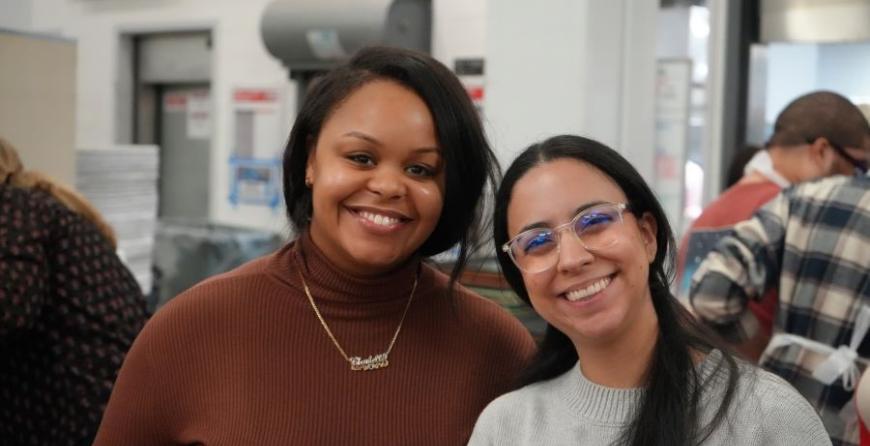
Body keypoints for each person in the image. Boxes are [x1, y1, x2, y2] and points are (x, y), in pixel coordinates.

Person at [94, 46, 536, 445]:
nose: (387, 186)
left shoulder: (496, 349)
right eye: (360, 158)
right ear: (310, 160)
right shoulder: (191, 330)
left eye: (421, 170)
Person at [469, 135, 830, 445]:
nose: (572, 259)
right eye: (537, 242)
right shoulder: (507, 428)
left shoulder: (767, 416)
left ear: (647, 235)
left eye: (594, 221)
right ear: (520, 274)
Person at [676, 91, 870, 361]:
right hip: (757, 387)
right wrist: (771, 355)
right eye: (860, 167)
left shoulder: (715, 209)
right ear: (822, 151)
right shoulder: (786, 211)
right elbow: (715, 303)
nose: (856, 183)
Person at [690, 168, 870, 446]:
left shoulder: (804, 197)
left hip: (767, 411)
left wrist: (757, 342)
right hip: (848, 427)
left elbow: (711, 293)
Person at [0, 138, 149, 445]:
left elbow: (8, 308)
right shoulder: (38, 209)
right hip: (108, 406)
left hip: (82, 411)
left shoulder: (17, 209)